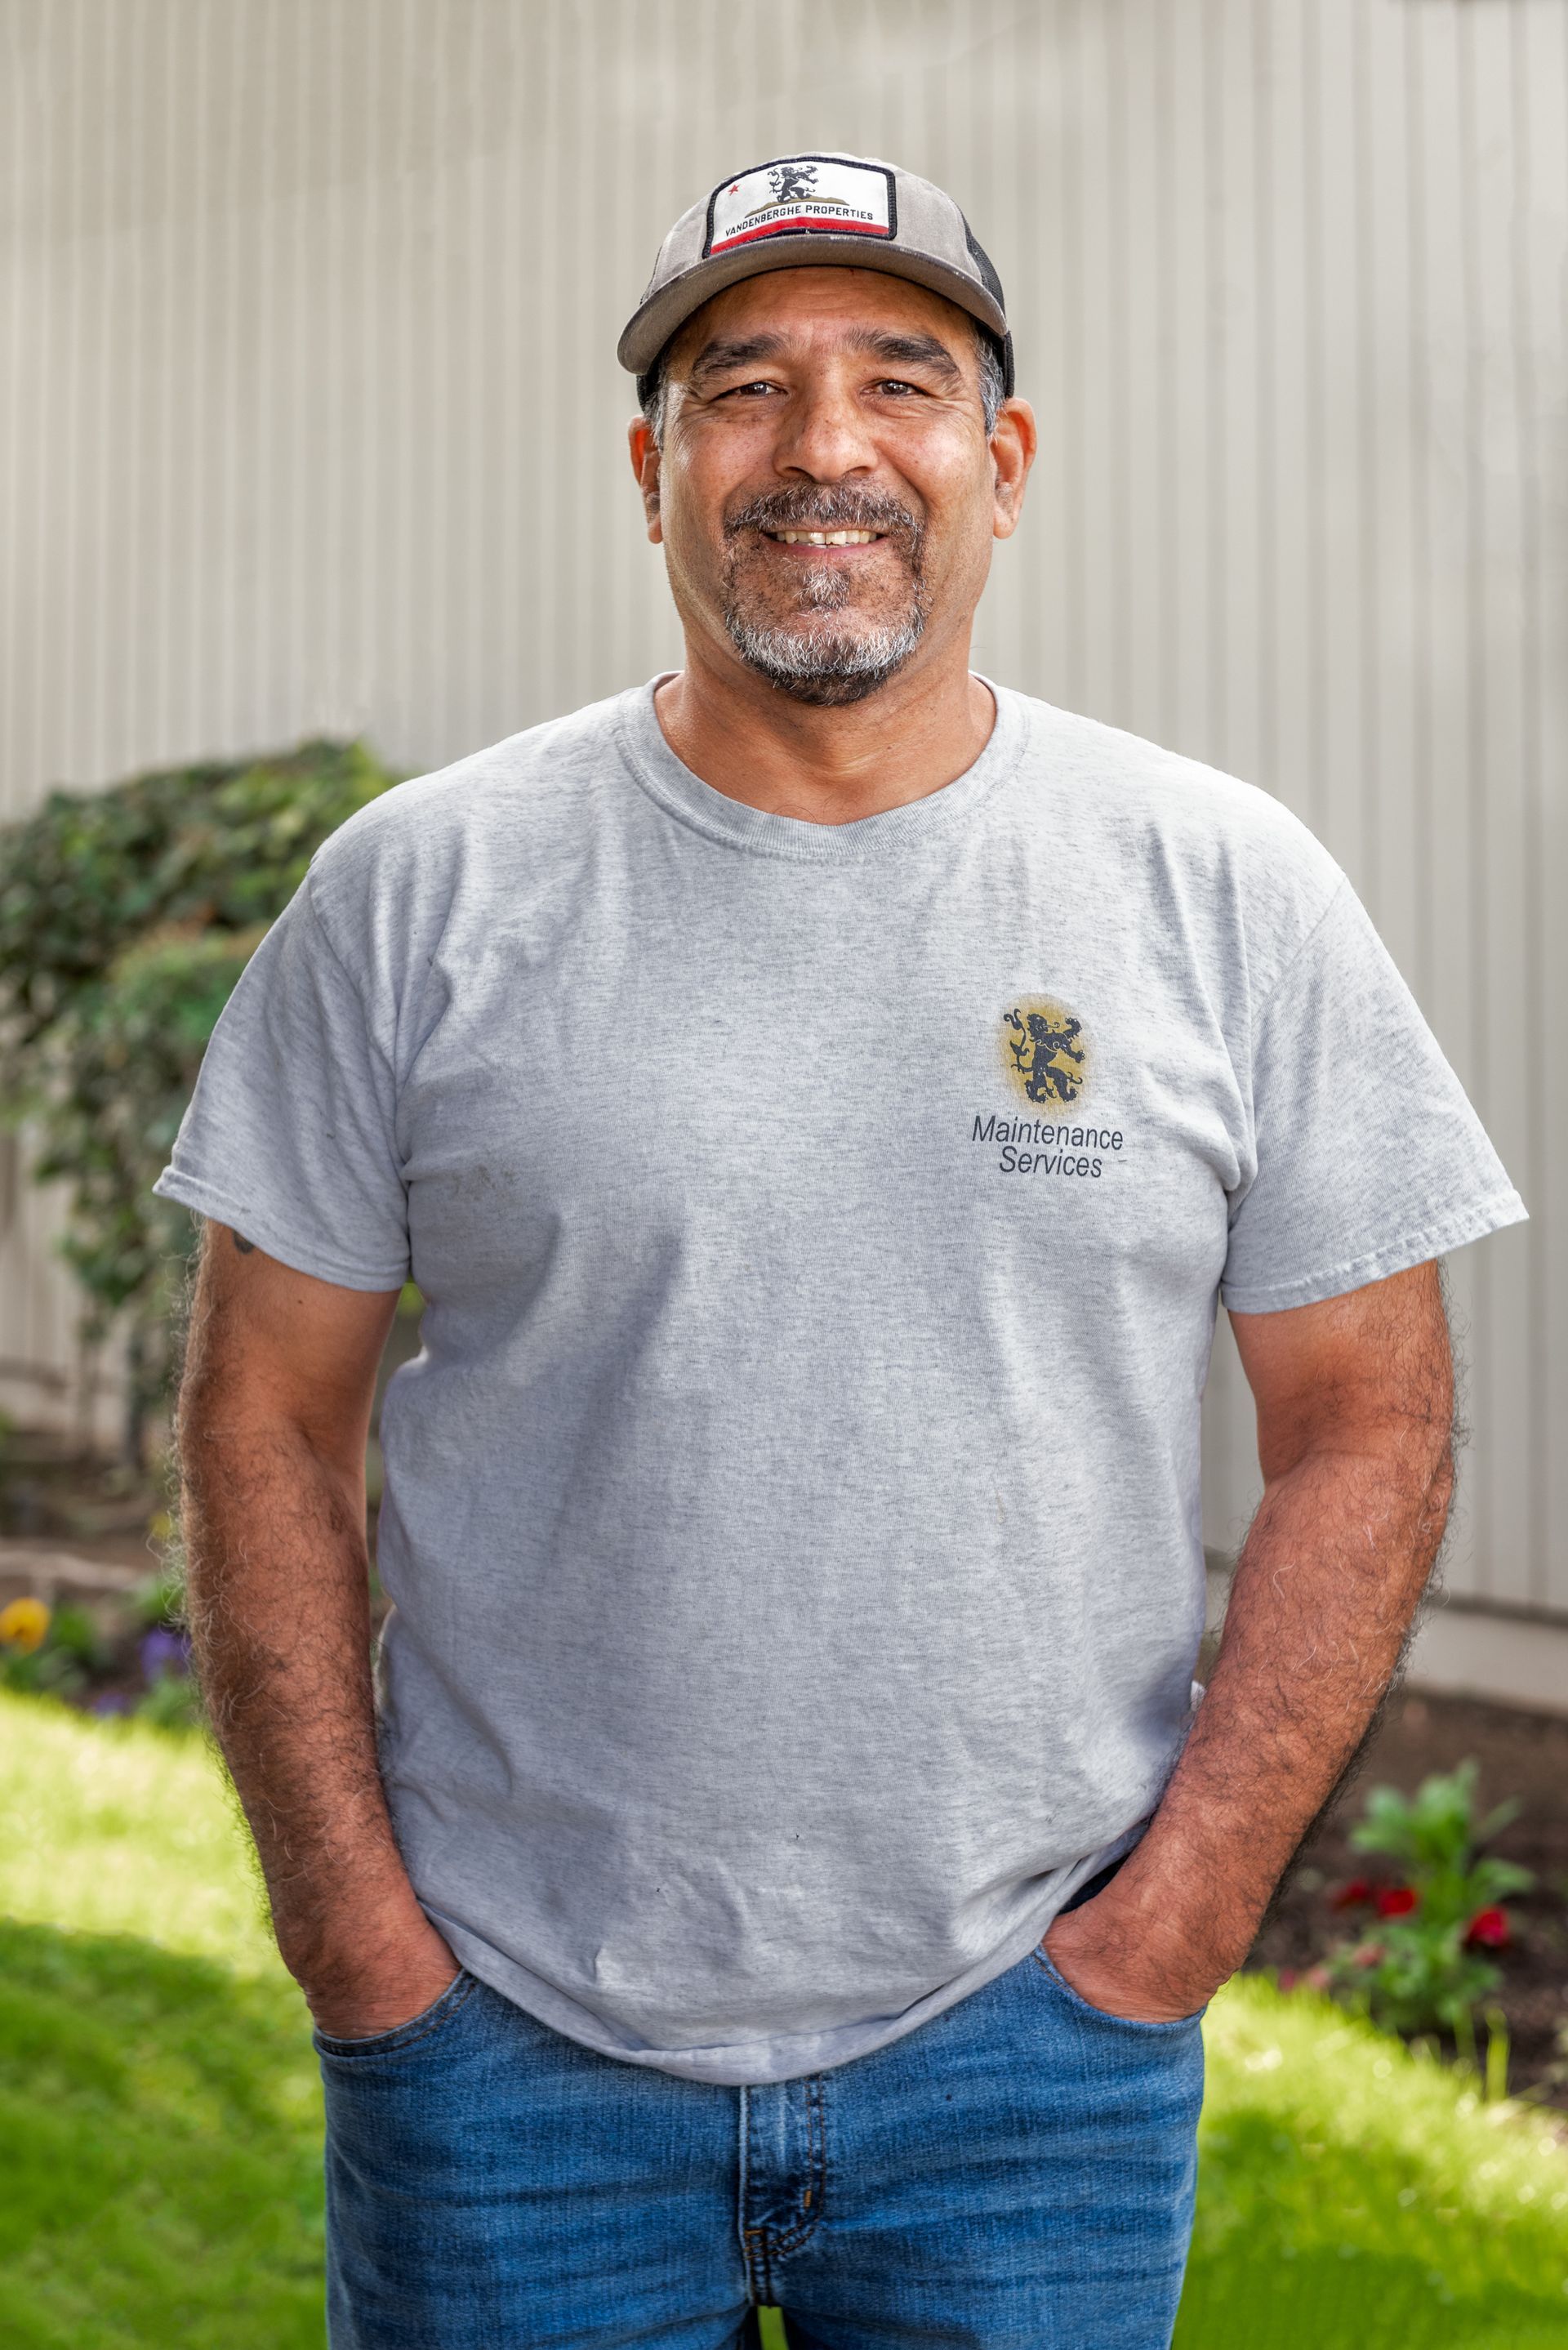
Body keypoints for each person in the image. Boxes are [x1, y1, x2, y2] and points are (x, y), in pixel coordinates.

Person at [156, 151, 1526, 2350]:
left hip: (1030, 2063)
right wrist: (360, 1943)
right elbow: (262, 1414)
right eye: (740, 386)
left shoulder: (1222, 887)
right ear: (651, 467)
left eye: (901, 380)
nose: (821, 449)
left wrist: (1163, 1938)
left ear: (1001, 465)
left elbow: (1371, 1431)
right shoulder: (420, 892)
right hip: (506, 2049)